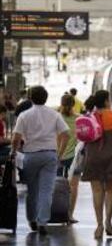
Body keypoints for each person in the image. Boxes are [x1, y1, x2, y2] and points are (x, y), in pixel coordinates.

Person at [11, 85, 70, 236]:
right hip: (50, 155)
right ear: (46, 98)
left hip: (30, 156)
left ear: (30, 98)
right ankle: (43, 221)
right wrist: (60, 154)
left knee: (32, 190)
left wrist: (13, 152)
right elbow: (66, 134)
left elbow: (16, 137)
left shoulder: (24, 115)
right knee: (46, 191)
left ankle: (32, 220)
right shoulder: (54, 114)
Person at [81, 90, 112, 239]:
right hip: (110, 157)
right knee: (110, 190)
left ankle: (99, 225)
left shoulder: (89, 117)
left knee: (97, 191)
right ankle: (108, 221)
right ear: (107, 101)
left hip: (93, 157)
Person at [57, 94, 80, 224]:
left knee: (56, 186)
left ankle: (56, 212)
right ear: (73, 104)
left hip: (58, 156)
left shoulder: (57, 118)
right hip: (75, 158)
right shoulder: (79, 119)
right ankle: (69, 215)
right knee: (74, 186)